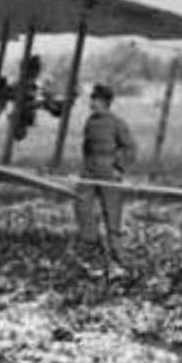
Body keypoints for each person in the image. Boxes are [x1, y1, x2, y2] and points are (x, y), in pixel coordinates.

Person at [75, 83, 137, 260]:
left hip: (109, 171)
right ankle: (90, 244)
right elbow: (86, 146)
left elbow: (130, 148)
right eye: (92, 100)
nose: (92, 104)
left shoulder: (117, 123)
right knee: (82, 204)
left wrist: (119, 167)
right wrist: (85, 166)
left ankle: (116, 250)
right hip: (89, 170)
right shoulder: (90, 122)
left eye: (96, 100)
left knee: (111, 209)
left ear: (105, 102)